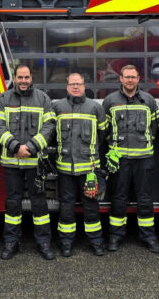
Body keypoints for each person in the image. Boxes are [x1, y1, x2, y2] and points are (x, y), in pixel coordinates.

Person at [0, 64, 56, 260]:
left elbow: (49, 126)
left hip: (34, 161)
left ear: (31, 78)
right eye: (20, 77)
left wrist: (30, 147)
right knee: (12, 203)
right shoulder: (3, 99)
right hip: (12, 162)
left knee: (39, 203)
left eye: (26, 77)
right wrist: (15, 147)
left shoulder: (43, 98)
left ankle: (44, 242)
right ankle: (11, 242)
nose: (23, 81)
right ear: (15, 78)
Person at [103, 65, 159, 254]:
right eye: (126, 77)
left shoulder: (149, 100)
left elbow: (154, 128)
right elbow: (105, 130)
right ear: (120, 78)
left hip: (143, 158)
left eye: (133, 77)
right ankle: (115, 236)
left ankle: (149, 237)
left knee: (145, 199)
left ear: (138, 79)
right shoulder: (110, 101)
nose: (130, 80)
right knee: (118, 198)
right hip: (119, 160)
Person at [52, 73, 108, 257]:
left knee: (91, 206)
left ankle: (96, 241)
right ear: (67, 87)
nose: (75, 87)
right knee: (66, 207)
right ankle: (66, 242)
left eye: (79, 84)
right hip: (65, 168)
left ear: (84, 86)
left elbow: (102, 135)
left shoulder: (95, 107)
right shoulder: (58, 107)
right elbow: (51, 133)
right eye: (72, 84)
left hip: (88, 167)